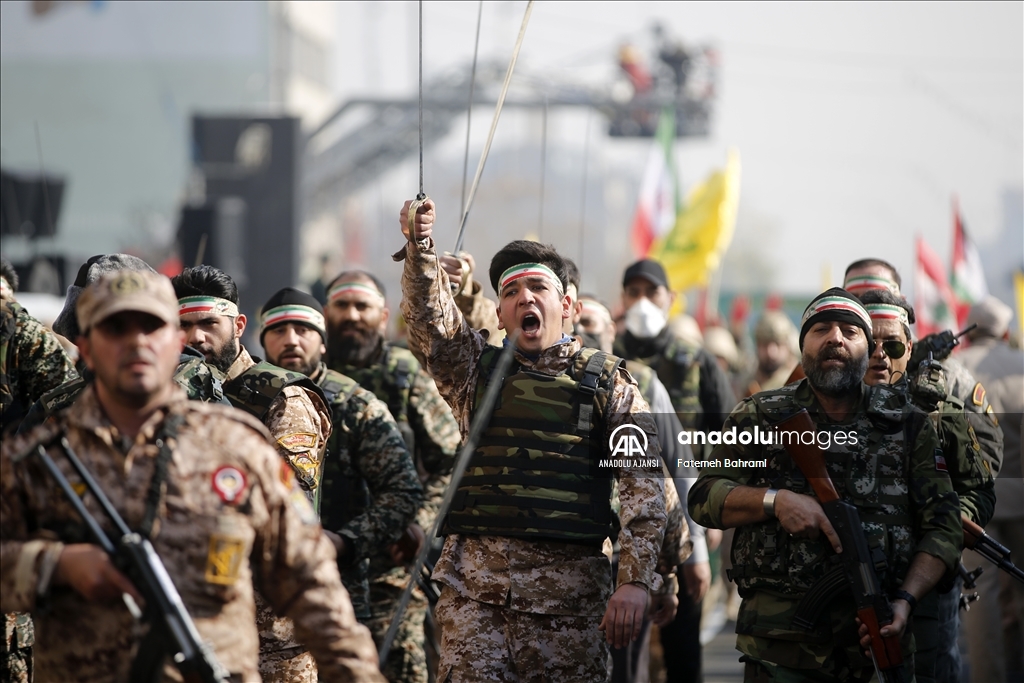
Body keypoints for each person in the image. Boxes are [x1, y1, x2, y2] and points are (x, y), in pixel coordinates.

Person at [0, 270, 383, 682]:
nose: (137, 342)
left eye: (152, 326)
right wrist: (56, 565)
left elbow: (311, 581)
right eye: (116, 328)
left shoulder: (239, 449)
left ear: (175, 344)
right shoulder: (37, 459)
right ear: (87, 349)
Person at [399, 198, 666, 682]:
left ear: (566, 306)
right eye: (511, 292)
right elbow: (430, 322)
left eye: (538, 287)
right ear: (499, 314)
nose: (525, 298)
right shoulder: (472, 373)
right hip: (476, 604)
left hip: (567, 612)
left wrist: (634, 581)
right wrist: (420, 247)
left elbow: (644, 490)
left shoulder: (611, 386)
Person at [688, 287, 961, 683]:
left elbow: (945, 527)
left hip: (878, 640)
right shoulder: (759, 416)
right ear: (802, 347)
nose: (835, 338)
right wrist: (776, 501)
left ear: (869, 349)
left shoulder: (909, 425)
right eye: (821, 330)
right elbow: (704, 496)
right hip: (780, 652)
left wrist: (905, 601)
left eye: (849, 331)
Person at [171, 265, 333, 681]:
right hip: (191, 621)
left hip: (271, 633)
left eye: (209, 323)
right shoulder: (166, 398)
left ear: (238, 326)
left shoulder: (282, 397)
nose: (195, 338)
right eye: (183, 326)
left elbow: (288, 504)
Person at [324, 269, 460, 683]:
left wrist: (420, 524)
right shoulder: (307, 375)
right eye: (342, 306)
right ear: (326, 314)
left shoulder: (405, 375)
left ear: (382, 316)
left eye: (361, 306)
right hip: (323, 560)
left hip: (393, 566)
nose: (352, 315)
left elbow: (451, 461)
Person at [258, 287, 423, 623]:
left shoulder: (355, 405)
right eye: (278, 330)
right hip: (262, 595)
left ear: (323, 342)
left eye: (303, 330)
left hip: (340, 591)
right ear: (263, 342)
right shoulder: (239, 401)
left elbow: (402, 493)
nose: (291, 340)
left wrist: (345, 542)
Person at [858, 288, 994, 683]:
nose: (880, 355)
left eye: (892, 344)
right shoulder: (825, 413)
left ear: (910, 348)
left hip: (921, 591)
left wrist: (952, 520)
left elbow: (979, 489)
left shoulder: (942, 415)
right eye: (869, 343)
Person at [613, 257, 735, 682]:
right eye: (634, 292)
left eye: (652, 292)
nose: (643, 301)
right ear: (623, 298)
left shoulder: (697, 361)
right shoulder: (607, 357)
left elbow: (728, 437)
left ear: (671, 298)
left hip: (686, 515)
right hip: (625, 527)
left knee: (683, 643)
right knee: (622, 651)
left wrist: (714, 508)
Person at [577, 294, 703, 683]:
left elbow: (670, 470)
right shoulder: (549, 381)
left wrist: (680, 561)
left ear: (611, 330)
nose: (581, 330)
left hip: (627, 561)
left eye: (590, 323)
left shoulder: (634, 383)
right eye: (576, 323)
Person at [957, 295, 1024, 683]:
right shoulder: (1021, 365)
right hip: (1021, 500)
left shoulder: (953, 368)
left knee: (980, 597)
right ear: (1005, 330)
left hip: (971, 506)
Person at [739, 311, 799, 397]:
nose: (771, 353)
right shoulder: (745, 383)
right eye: (765, 344)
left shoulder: (796, 385)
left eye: (778, 344)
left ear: (787, 347)